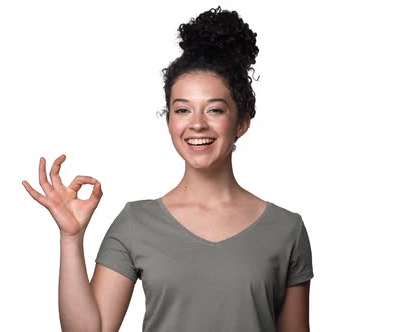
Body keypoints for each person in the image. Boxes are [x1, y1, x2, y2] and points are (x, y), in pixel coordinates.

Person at [22, 6, 314, 332]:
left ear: (242, 122)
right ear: (170, 121)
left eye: (215, 110)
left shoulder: (286, 229)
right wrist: (71, 238)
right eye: (182, 110)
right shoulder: (136, 223)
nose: (197, 124)